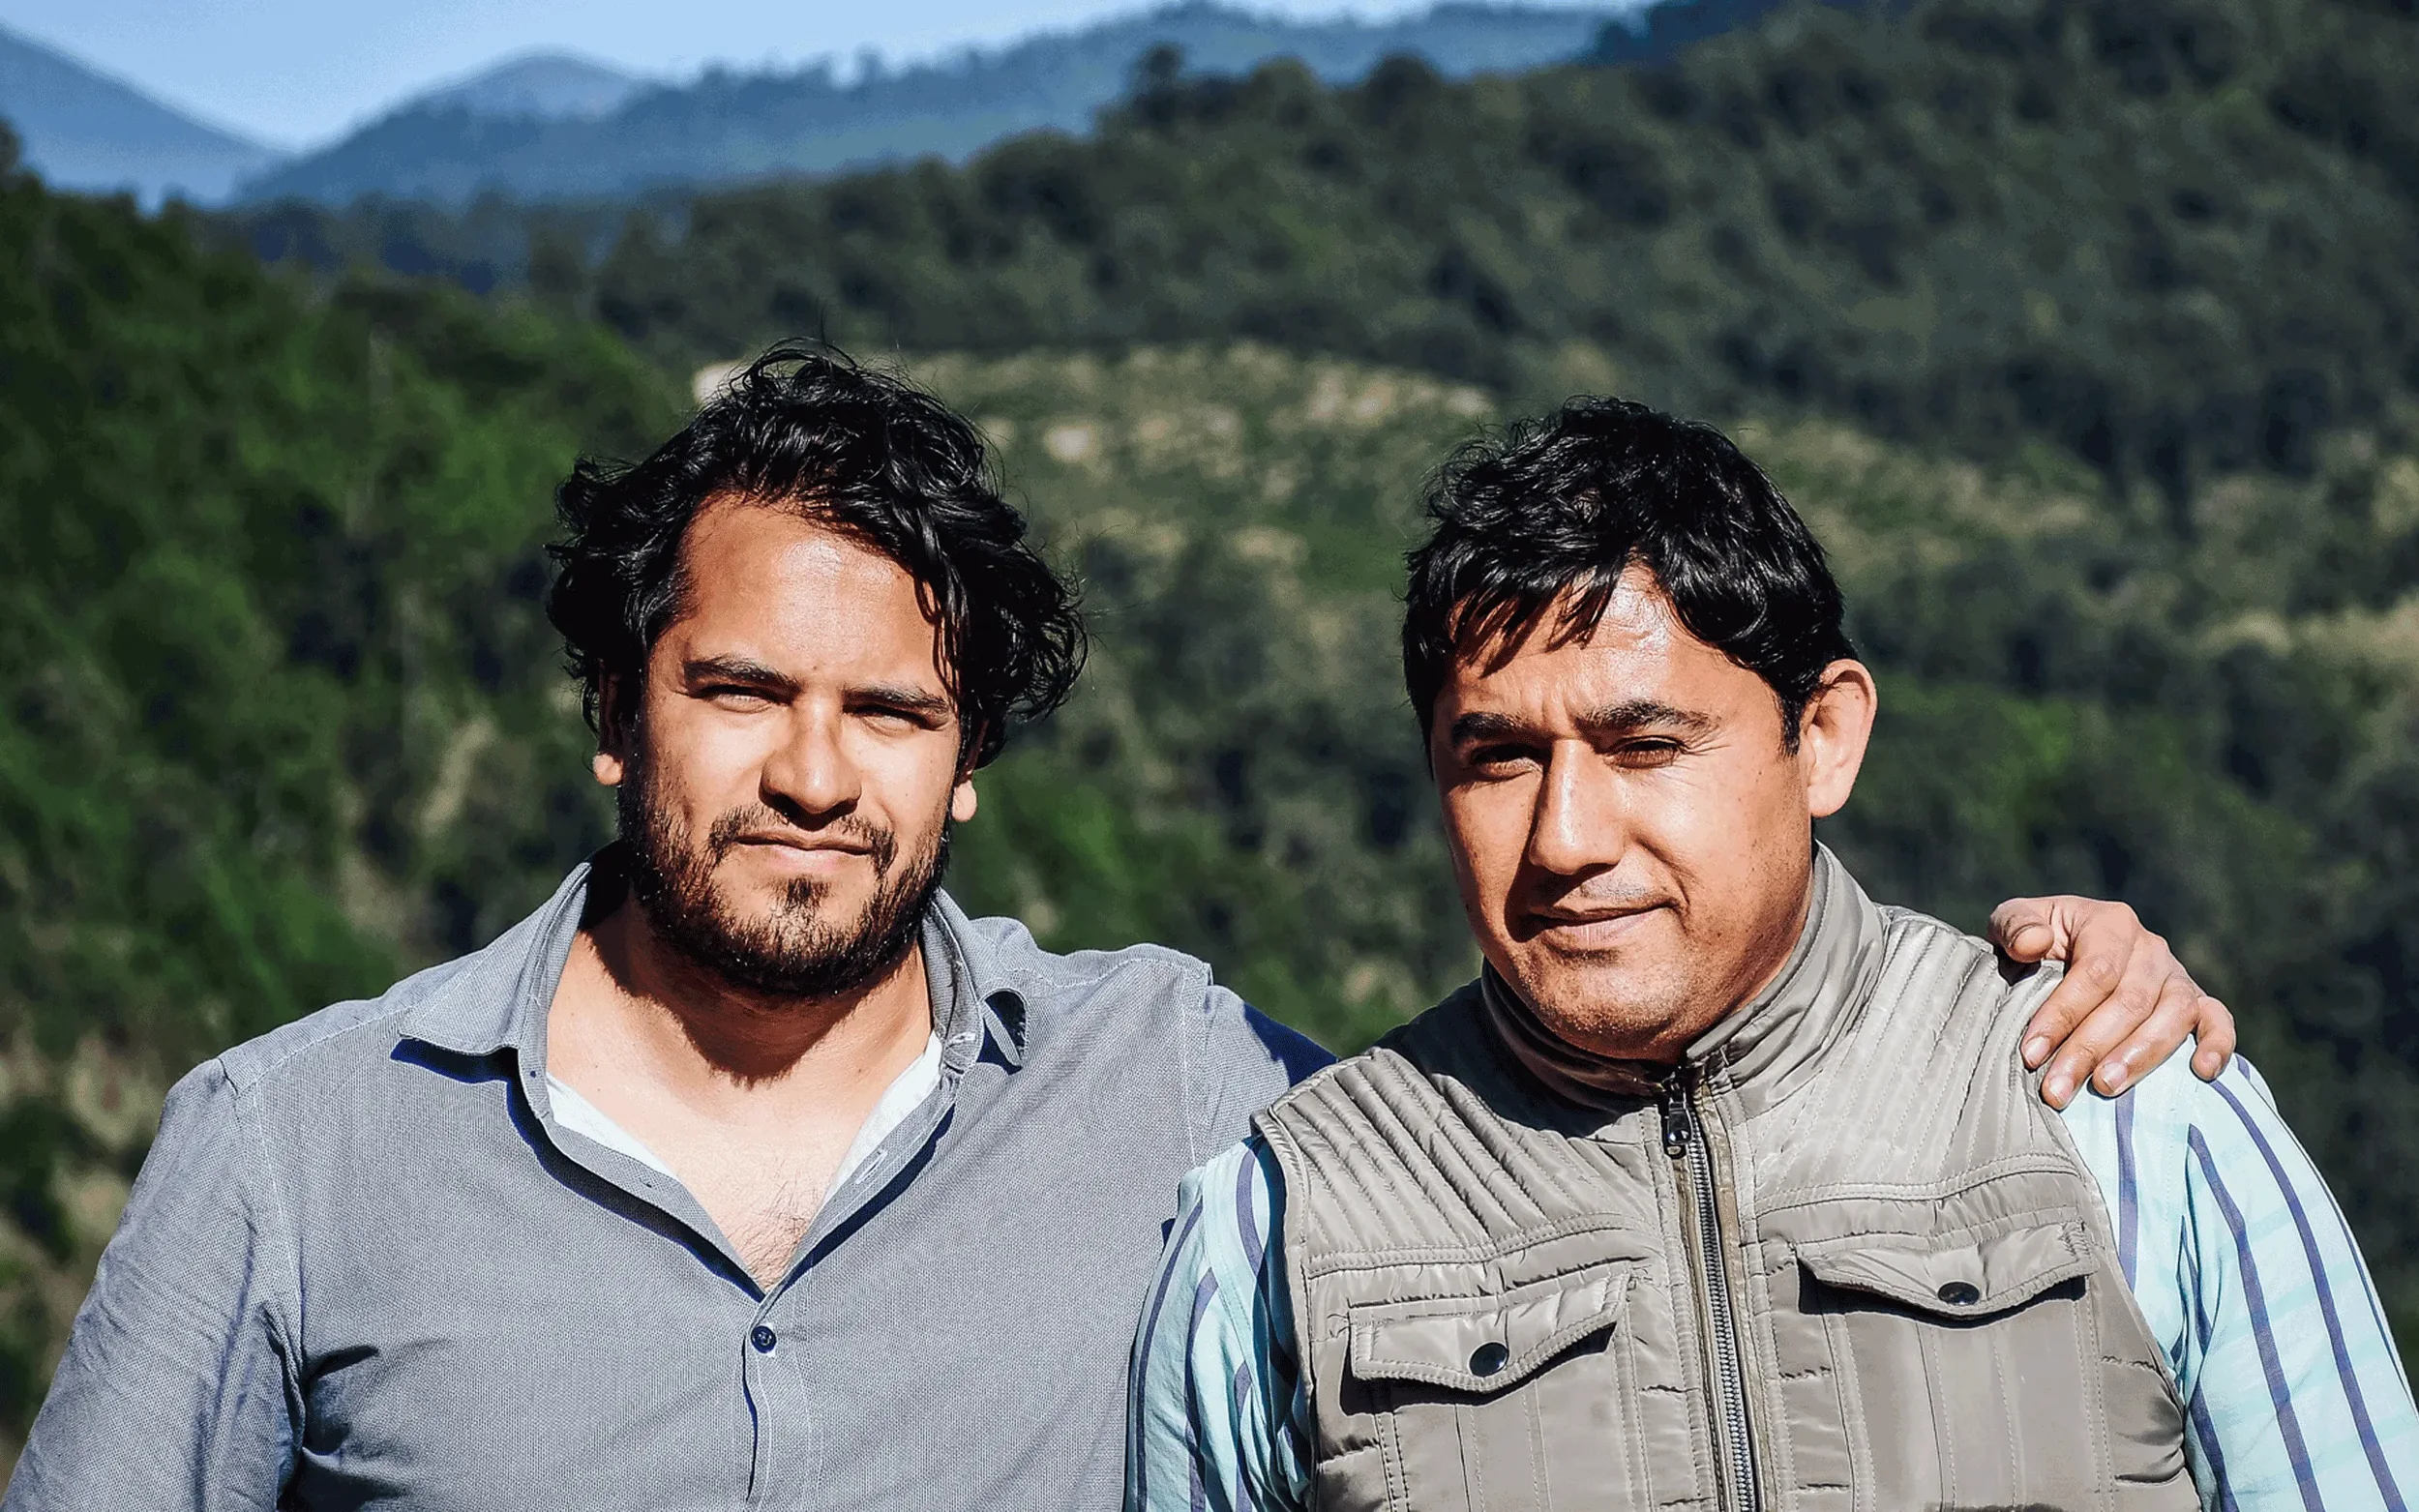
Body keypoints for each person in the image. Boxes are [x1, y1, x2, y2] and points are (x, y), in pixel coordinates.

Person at [8, 349, 2230, 1511]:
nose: (812, 769)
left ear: (965, 761)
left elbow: (1570, 1100)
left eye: (888, 709)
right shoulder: (290, 1151)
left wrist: (1981, 999)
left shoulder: (1178, 1079)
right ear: (613, 710)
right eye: (740, 692)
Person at [1129, 398, 2419, 1511]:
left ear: (1828, 738)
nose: (1568, 837)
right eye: (1499, 757)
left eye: (1646, 746)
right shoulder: (1274, 1236)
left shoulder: (2120, 1105)